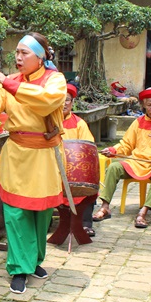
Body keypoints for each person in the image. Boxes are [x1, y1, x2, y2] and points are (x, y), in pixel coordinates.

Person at [0, 32, 66, 294]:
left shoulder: (55, 80)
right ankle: (18, 268)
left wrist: (8, 84)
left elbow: (47, 102)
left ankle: (33, 260)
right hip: (16, 153)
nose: (18, 57)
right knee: (15, 213)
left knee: (41, 213)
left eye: (24, 53)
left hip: (44, 156)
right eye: (17, 52)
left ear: (40, 57)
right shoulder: (10, 81)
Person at [94, 87, 151, 228]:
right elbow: (126, 144)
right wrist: (112, 150)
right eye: (149, 104)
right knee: (114, 167)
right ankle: (105, 207)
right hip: (137, 162)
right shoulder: (138, 122)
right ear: (143, 105)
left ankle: (143, 212)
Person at [61, 83, 97, 236]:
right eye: (59, 99)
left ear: (72, 103)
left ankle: (85, 223)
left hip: (74, 168)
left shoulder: (79, 123)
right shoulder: (47, 120)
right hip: (53, 168)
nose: (63, 103)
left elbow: (87, 147)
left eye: (67, 100)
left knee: (87, 182)